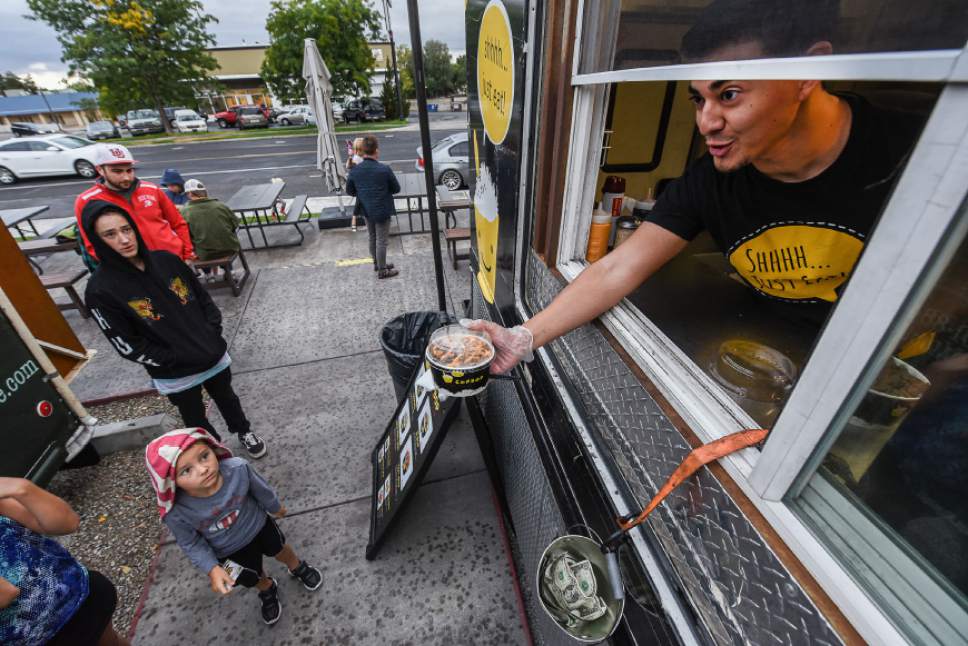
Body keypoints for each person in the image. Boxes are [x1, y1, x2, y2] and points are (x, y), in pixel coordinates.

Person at [468, 0, 925, 374]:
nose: (707, 122)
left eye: (728, 95)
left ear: (807, 72)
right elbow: (617, 268)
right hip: (789, 360)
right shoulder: (712, 180)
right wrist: (521, 337)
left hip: (906, 369)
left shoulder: (914, 152)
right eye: (698, 99)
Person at [81, 200, 268, 459]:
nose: (124, 239)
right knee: (193, 414)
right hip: (175, 372)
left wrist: (212, 332)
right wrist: (172, 359)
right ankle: (212, 449)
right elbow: (126, 345)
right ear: (97, 241)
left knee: (227, 398)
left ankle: (243, 431)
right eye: (110, 234)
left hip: (211, 353)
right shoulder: (100, 289)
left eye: (126, 229)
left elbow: (203, 298)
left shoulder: (167, 261)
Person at [145, 428, 322, 626]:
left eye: (204, 456)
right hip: (224, 553)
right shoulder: (176, 512)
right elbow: (190, 543)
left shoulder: (237, 469)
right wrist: (212, 568)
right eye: (187, 470)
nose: (203, 469)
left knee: (280, 549)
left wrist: (275, 507)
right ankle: (266, 588)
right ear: (170, 483)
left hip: (259, 526)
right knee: (249, 577)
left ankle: (296, 566)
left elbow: (261, 490)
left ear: (213, 449)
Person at [0, 476, 129, 646]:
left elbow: (68, 522)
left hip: (81, 597)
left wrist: (22, 488)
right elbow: (5, 594)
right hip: (32, 638)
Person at [74, 144, 195, 264]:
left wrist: (187, 254)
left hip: (173, 259)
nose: (126, 177)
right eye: (117, 171)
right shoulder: (86, 200)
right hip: (133, 269)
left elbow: (178, 223)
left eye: (129, 170)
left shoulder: (151, 189)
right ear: (100, 170)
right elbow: (90, 244)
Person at [346, 135, 400, 278]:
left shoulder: (355, 170)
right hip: (382, 209)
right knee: (382, 241)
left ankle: (377, 264)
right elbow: (396, 189)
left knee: (372, 237)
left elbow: (350, 191)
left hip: (365, 209)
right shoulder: (384, 169)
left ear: (362, 151)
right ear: (376, 151)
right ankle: (383, 271)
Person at [180, 178, 241, 271]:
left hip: (205, 254)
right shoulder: (221, 205)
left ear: (190, 194)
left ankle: (208, 275)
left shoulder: (184, 211)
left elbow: (186, 235)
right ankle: (230, 271)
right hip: (230, 248)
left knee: (198, 245)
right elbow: (235, 224)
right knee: (223, 240)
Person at [345, 137, 366, 232]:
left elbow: (349, 165)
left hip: (356, 186)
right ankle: (354, 220)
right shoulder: (358, 159)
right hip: (359, 186)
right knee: (361, 201)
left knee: (360, 201)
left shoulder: (356, 157)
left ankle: (354, 221)